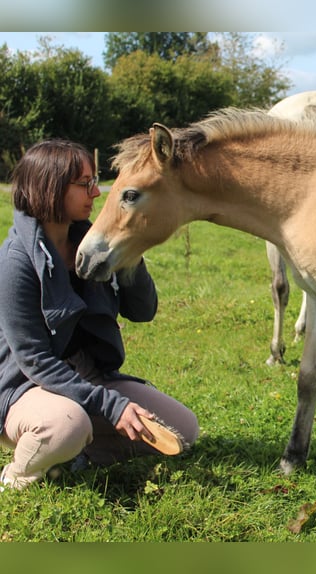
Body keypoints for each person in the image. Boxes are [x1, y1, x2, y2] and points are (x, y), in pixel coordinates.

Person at [0, 139, 199, 490]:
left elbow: (143, 312)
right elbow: (34, 360)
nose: (96, 193)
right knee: (66, 425)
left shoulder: (93, 245)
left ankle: (77, 453)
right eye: (86, 183)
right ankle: (20, 473)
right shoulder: (15, 261)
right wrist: (112, 406)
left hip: (87, 377)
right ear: (51, 186)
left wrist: (130, 258)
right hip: (25, 387)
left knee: (183, 429)